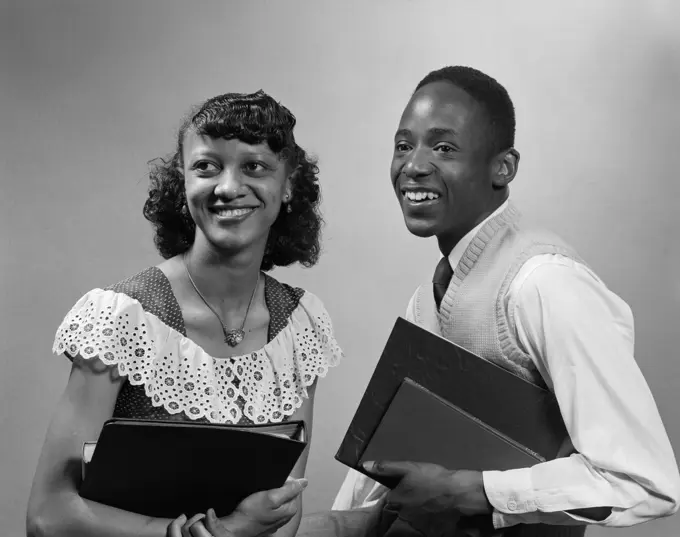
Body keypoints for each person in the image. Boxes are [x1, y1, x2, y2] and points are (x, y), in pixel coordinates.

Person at [330, 66, 680, 536]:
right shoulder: (425, 300)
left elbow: (646, 481)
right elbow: (376, 478)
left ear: (503, 167)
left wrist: (472, 490)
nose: (413, 164)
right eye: (402, 144)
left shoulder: (545, 283)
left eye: (444, 147)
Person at [26, 90, 343, 537]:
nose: (228, 187)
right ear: (182, 181)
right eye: (206, 166)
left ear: (288, 183)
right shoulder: (121, 317)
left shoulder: (300, 323)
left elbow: (283, 510)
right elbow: (48, 515)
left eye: (253, 166)